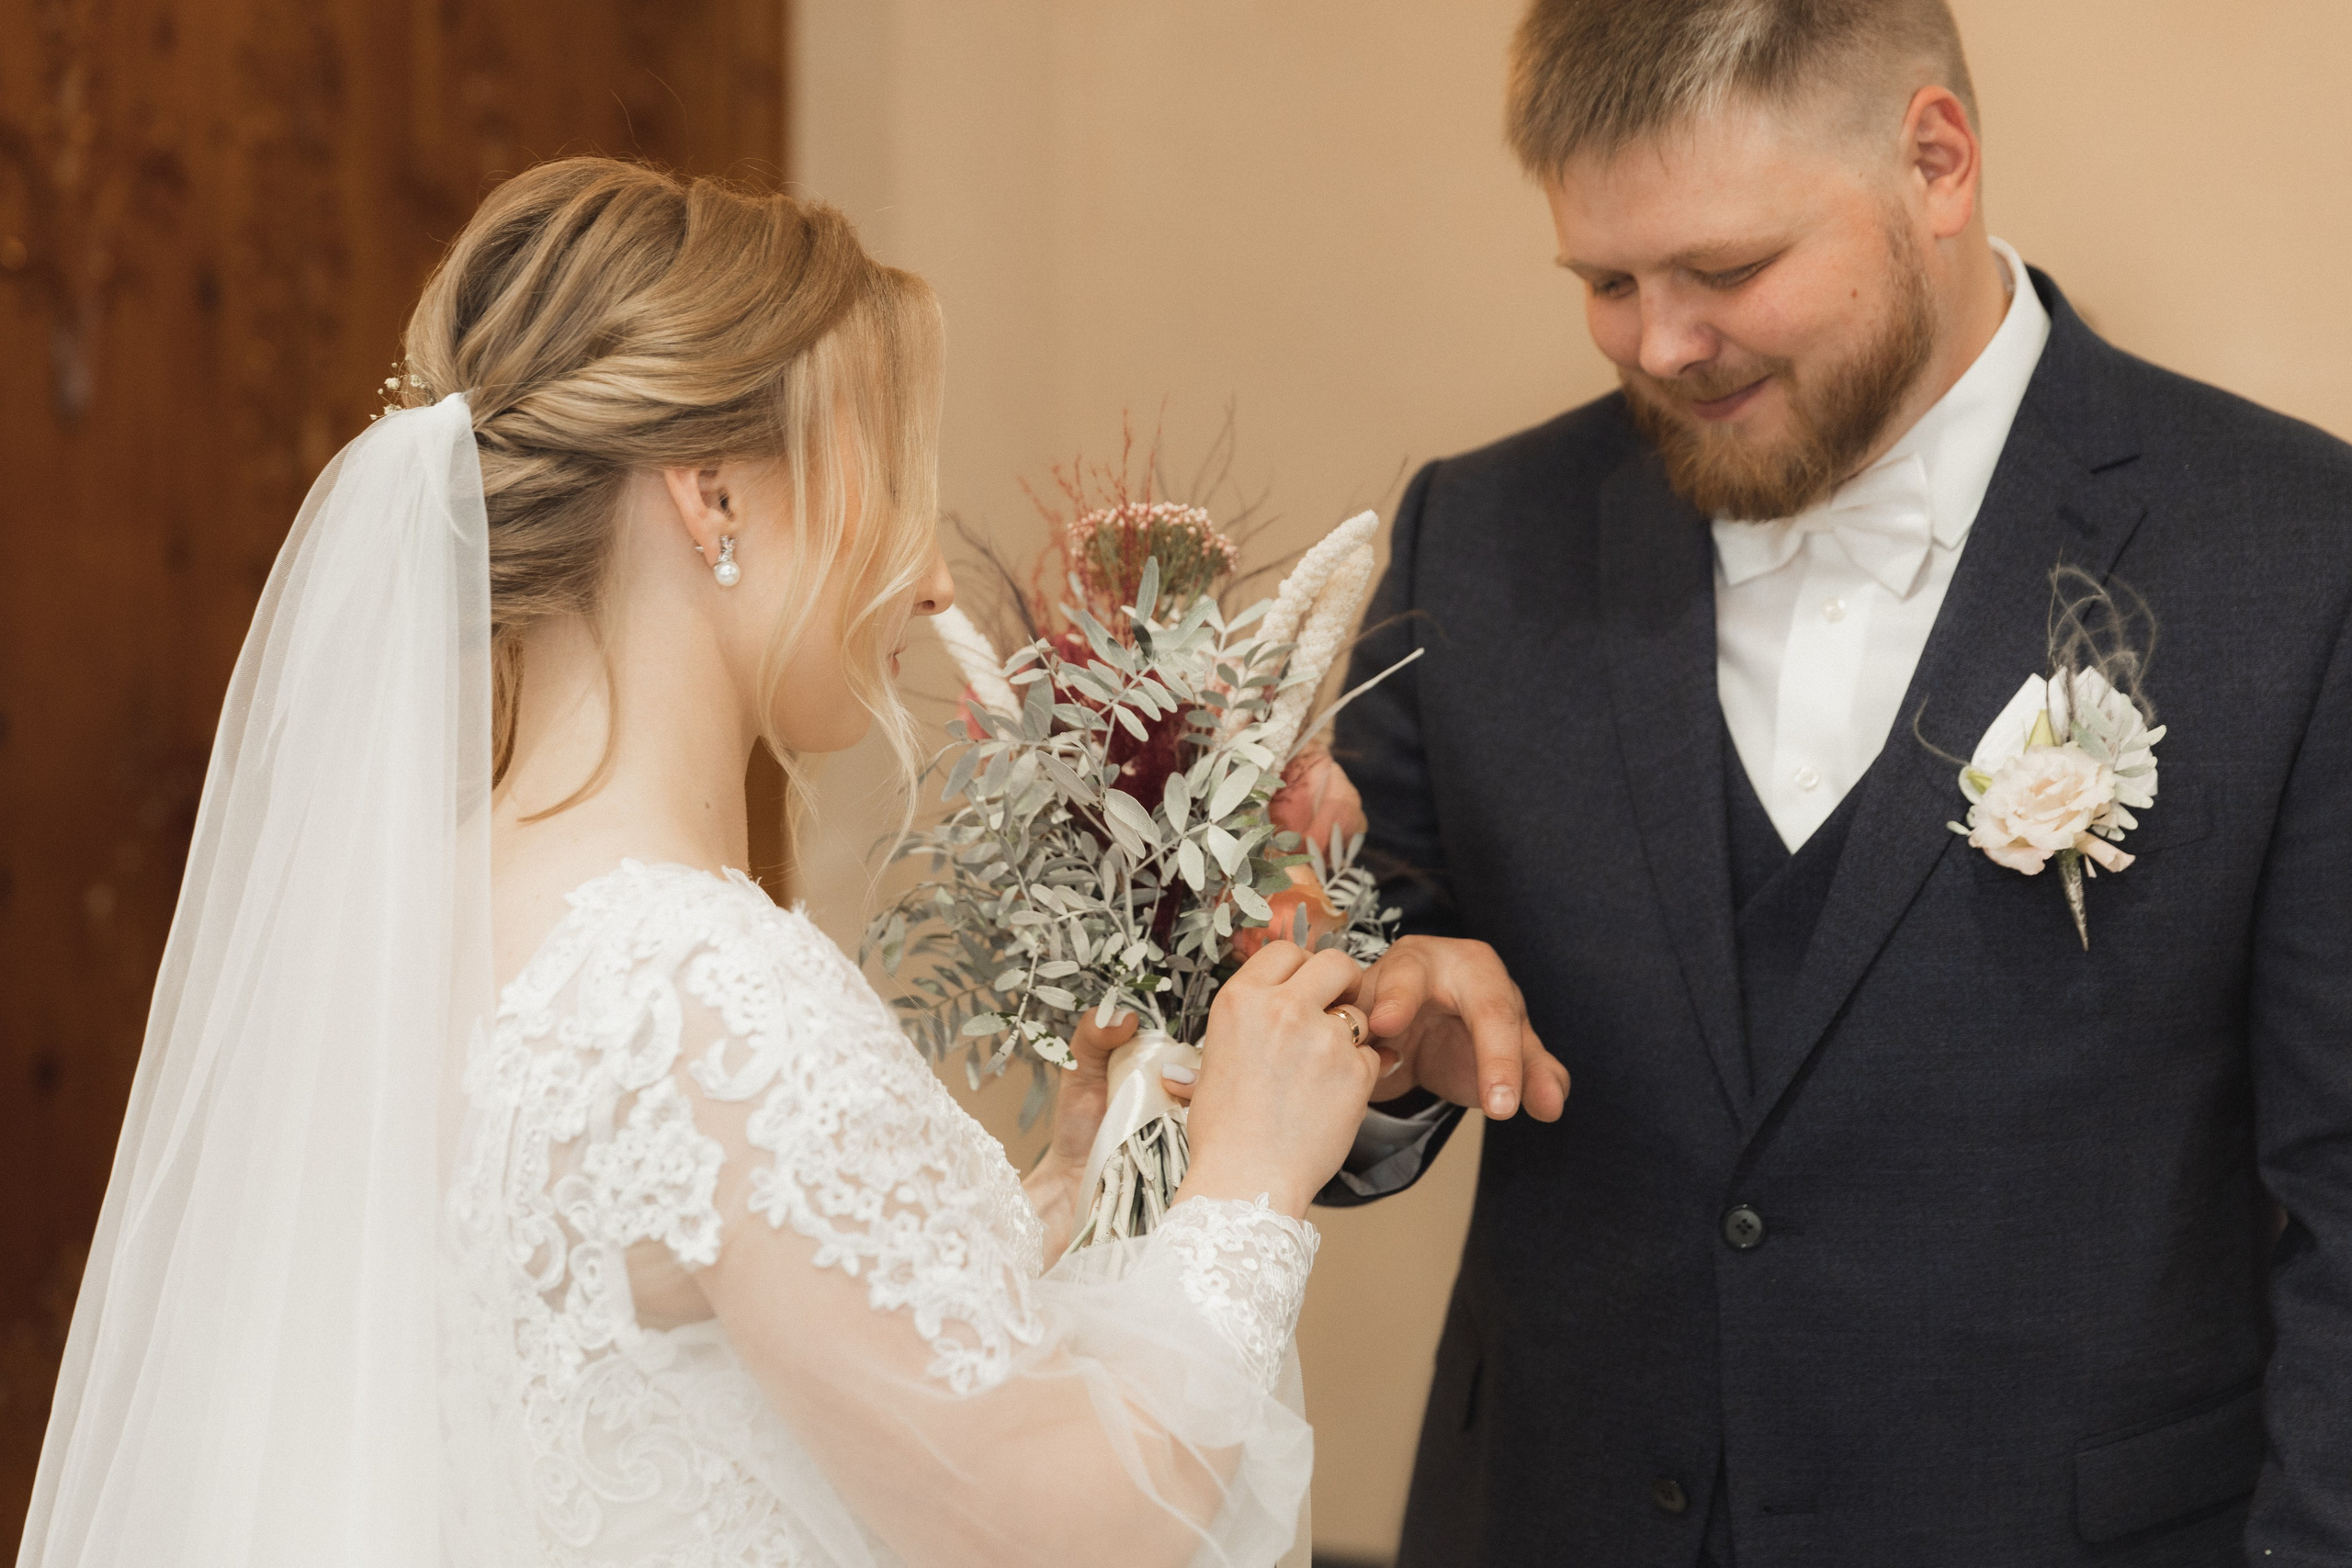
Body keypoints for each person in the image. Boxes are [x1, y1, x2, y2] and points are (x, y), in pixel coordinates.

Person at [18, 158, 1396, 1568]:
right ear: (713, 495)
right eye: (881, 474)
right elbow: (1063, 1537)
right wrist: (1250, 1181)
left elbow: (715, 1363)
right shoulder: (702, 993)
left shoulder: (427, 916)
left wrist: (1051, 1206)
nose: (926, 574)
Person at [1329, 2, 2352, 1564]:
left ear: (1937, 162)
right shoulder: (1481, 535)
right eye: (1606, 281)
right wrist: (1369, 1040)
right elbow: (1342, 1017)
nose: (1659, 344)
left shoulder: (2292, 552)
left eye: (1728, 272)